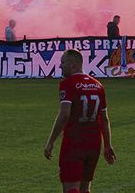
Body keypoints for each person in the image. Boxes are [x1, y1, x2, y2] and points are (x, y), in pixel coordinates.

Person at [44, 49, 116, 193]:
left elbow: (64, 115)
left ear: (73, 65)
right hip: (94, 144)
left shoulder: (67, 84)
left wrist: (51, 141)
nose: (60, 66)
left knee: (71, 189)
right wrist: (107, 146)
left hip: (74, 143)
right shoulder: (98, 85)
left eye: (62, 63)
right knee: (85, 189)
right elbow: (104, 119)